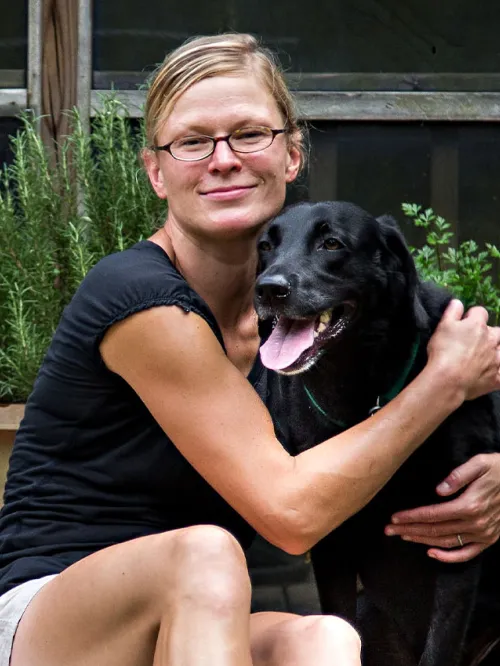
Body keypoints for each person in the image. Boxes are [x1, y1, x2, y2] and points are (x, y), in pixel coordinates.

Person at [1, 33, 500, 666]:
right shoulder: (139, 299)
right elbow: (291, 511)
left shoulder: (299, 323)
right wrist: (443, 383)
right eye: (192, 141)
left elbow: (374, 449)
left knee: (329, 639)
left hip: (203, 622)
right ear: (155, 171)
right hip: (56, 619)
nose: (224, 159)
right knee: (205, 551)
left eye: (249, 134)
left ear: (292, 155)